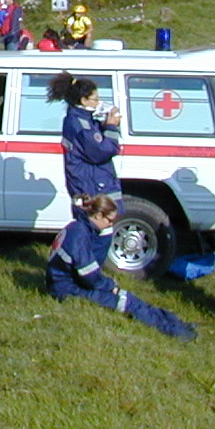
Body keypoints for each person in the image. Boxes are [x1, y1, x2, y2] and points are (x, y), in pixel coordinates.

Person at [47, 194, 196, 339]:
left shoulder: (79, 228)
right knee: (126, 301)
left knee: (129, 298)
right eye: (110, 220)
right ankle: (178, 332)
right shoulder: (79, 236)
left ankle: (175, 323)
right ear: (98, 215)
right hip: (67, 289)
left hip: (72, 283)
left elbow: (91, 266)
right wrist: (110, 285)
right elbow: (89, 276)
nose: (111, 225)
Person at [53, 71, 121, 215]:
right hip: (92, 187)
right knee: (96, 229)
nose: (99, 103)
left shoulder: (84, 121)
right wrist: (111, 127)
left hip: (92, 184)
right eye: (95, 99)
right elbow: (101, 151)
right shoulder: (80, 124)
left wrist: (103, 125)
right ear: (83, 100)